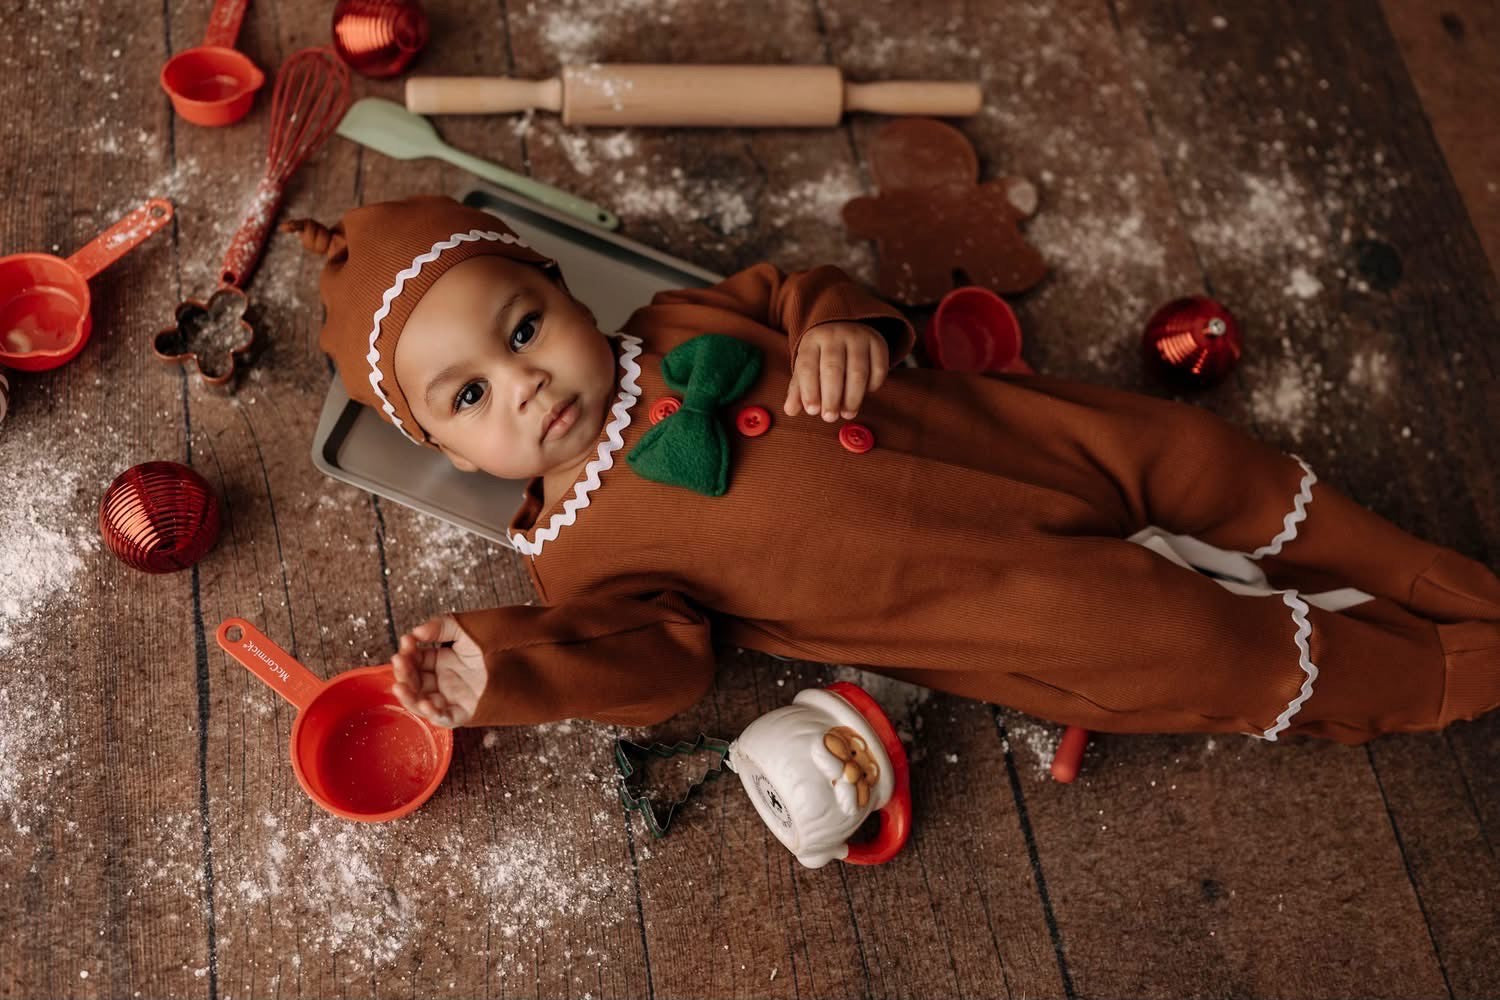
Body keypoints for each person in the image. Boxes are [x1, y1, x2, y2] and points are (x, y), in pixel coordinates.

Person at [284, 195, 1500, 746]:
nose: (526, 382)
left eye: (521, 328)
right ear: (446, 450)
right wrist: (504, 666)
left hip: (1006, 439)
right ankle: (1433, 673)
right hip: (993, 604)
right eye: (473, 397)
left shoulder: (681, 316)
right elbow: (652, 659)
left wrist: (843, 328)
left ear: (558, 290)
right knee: (1187, 642)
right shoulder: (577, 557)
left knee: (1198, 458)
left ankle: (1413, 567)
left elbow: (796, 287)